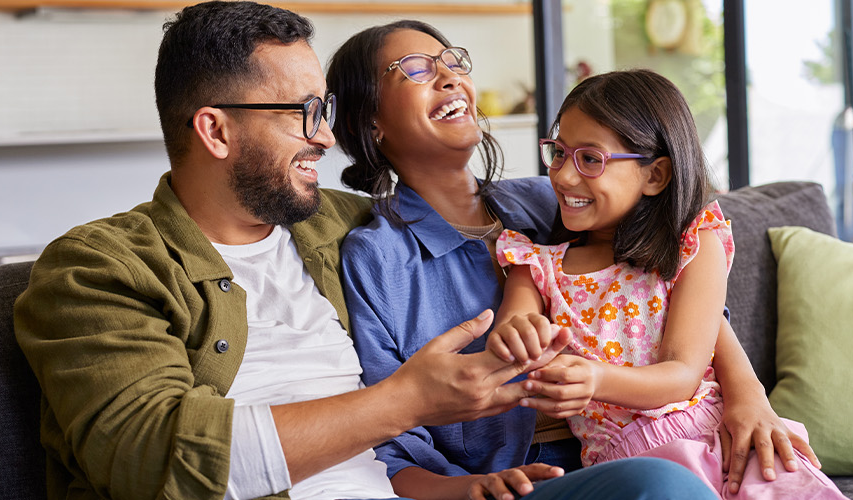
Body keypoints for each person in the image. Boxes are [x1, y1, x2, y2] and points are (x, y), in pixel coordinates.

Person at [13, 3, 712, 499]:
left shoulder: (338, 226)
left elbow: (663, 260)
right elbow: (148, 459)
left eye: (327, 112)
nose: (324, 138)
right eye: (305, 114)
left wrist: (740, 394)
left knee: (659, 485)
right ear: (215, 131)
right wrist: (406, 403)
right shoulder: (98, 268)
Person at [330, 21, 815, 500]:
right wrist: (465, 487)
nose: (451, 76)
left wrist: (748, 396)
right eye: (415, 69)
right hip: (529, 480)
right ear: (368, 121)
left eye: (453, 62)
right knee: (664, 484)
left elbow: (674, 292)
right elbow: (384, 435)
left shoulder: (554, 198)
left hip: (675, 431)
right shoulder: (378, 256)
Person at [483, 69, 849, 499]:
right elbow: (513, 327)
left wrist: (595, 378)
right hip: (631, 469)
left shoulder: (693, 246)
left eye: (590, 159)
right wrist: (517, 337)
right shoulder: (537, 265)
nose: (563, 176)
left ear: (655, 175)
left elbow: (682, 374)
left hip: (723, 438)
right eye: (559, 152)